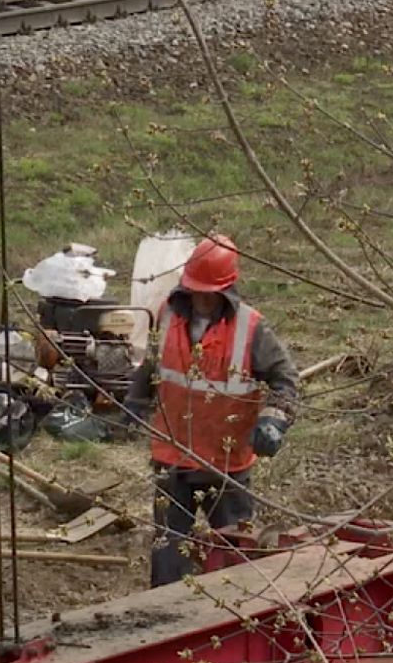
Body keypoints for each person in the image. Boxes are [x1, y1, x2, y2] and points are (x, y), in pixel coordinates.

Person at [125, 235, 298, 587]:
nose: (201, 298)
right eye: (195, 290)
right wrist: (133, 403)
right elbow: (152, 367)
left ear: (225, 289)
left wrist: (274, 420)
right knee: (168, 560)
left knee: (237, 563)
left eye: (208, 292)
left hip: (226, 466)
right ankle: (164, 624)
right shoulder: (168, 314)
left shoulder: (252, 328)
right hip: (172, 459)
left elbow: (286, 381)